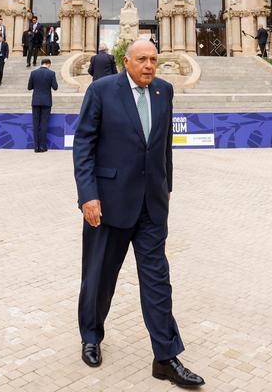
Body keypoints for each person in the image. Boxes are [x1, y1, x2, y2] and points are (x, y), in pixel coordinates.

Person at [73, 39, 204, 387]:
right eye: (143, 59)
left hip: (151, 205)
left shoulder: (164, 91)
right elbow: (84, 143)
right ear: (126, 61)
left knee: (158, 280)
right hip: (108, 203)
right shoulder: (102, 90)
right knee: (100, 277)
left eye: (154, 60)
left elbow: (163, 146)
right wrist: (88, 196)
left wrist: (168, 186)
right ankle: (91, 336)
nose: (149, 65)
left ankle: (165, 357)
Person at [28, 58, 59, 152]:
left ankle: (36, 147)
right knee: (44, 123)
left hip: (36, 101)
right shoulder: (51, 73)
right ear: (48, 64)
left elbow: (29, 87)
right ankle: (42, 146)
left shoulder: (33, 73)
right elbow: (55, 87)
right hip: (46, 101)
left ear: (41, 64)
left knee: (36, 123)